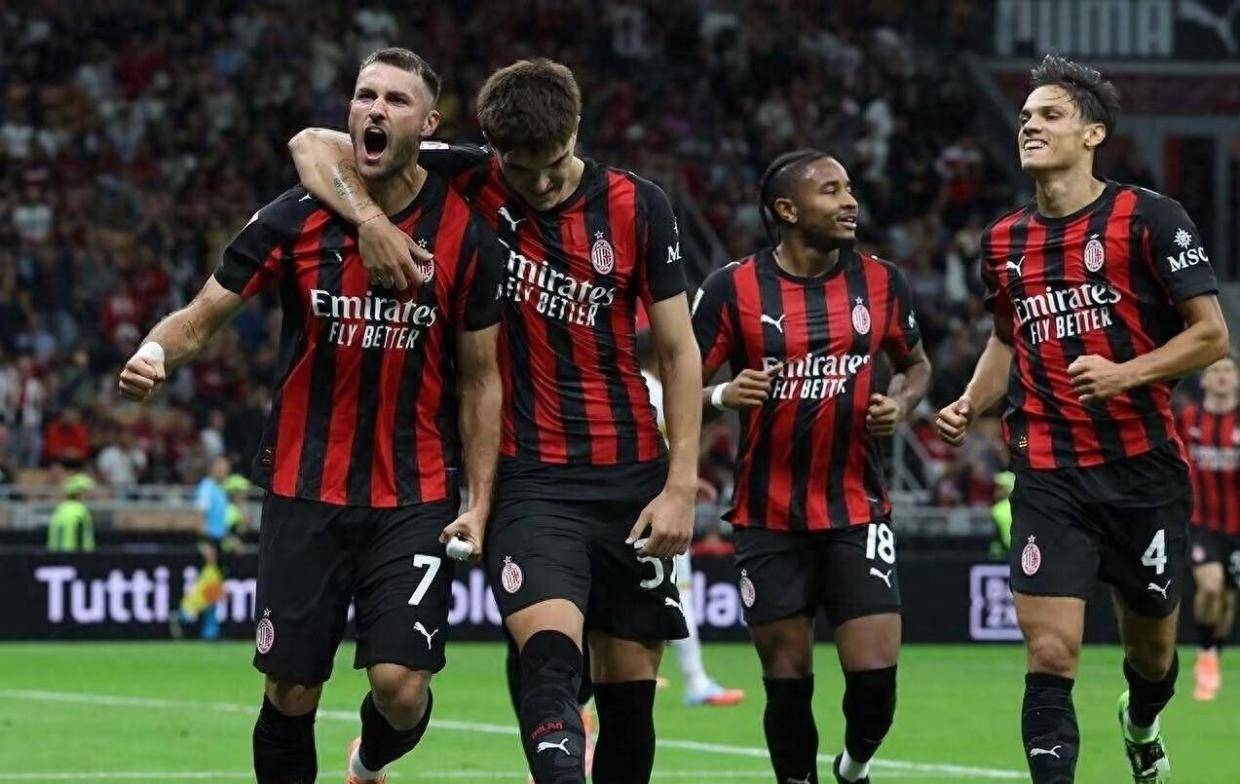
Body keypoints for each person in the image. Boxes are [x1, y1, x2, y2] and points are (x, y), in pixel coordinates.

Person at [288, 57, 701, 784]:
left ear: (577, 130)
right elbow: (312, 145)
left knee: (629, 704)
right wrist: (372, 221)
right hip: (526, 479)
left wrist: (681, 485)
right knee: (549, 662)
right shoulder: (468, 175)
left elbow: (678, 349)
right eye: (519, 168)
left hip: (631, 474)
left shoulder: (640, 205)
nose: (536, 185)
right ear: (492, 146)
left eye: (552, 166)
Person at [119, 47, 504, 784]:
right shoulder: (294, 217)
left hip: (415, 492)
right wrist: (154, 352)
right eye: (365, 95)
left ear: (429, 124)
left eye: (396, 100)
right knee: (291, 691)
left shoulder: (465, 231)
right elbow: (199, 316)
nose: (376, 110)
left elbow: (483, 381)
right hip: (304, 486)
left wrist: (480, 501)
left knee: (401, 689)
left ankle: (368, 762)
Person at [935, 55, 1228, 784]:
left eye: (1050, 114)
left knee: (1152, 659)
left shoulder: (1150, 219)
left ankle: (1142, 721)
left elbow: (1211, 336)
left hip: (1142, 470)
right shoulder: (1003, 241)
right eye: (1025, 116)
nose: (1030, 125)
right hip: (1047, 472)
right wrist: (971, 401)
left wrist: (1126, 373)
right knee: (1050, 653)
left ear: (1093, 133)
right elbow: (1008, 339)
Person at [693, 150, 932, 784]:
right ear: (787, 210)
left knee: (876, 683)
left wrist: (902, 404)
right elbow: (675, 386)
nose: (850, 201)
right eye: (831, 190)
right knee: (787, 682)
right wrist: (723, 394)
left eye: (849, 188)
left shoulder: (882, 281)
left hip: (857, 508)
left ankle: (852, 768)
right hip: (768, 517)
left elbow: (915, 366)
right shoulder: (731, 288)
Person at [637, 329, 745, 708]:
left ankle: (685, 677)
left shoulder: (645, 388)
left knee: (667, 596)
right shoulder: (652, 389)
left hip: (653, 506)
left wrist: (686, 479)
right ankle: (692, 679)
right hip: (654, 512)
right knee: (671, 596)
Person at [1175, 355, 1240, 701]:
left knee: (1227, 600)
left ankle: (1213, 652)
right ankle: (1205, 654)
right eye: (1215, 371)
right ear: (1204, 380)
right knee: (1211, 586)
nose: (1222, 376)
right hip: (1200, 523)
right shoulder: (1188, 420)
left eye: (1228, 370)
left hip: (1236, 527)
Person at [47, 473, 95, 551]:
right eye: (87, 492)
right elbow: (85, 542)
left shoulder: (60, 509)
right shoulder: (81, 510)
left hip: (55, 556)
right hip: (74, 556)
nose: (90, 495)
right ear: (80, 493)